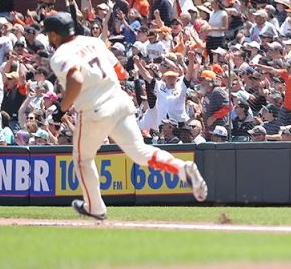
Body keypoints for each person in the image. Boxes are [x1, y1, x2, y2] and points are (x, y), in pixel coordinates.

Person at [42, 12, 207, 220]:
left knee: (83, 159)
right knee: (140, 152)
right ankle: (182, 168)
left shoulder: (60, 54)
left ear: (55, 35)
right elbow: (121, 72)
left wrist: (61, 109)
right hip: (120, 101)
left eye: (49, 34)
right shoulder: (93, 41)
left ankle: (95, 207)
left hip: (95, 110)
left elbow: (75, 79)